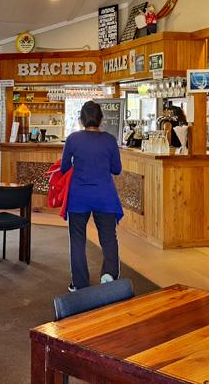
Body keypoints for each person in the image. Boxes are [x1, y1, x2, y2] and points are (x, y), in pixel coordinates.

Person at [61, 101, 123, 291]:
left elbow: (64, 168)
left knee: (77, 240)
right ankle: (109, 275)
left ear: (81, 120)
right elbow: (117, 169)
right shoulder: (110, 140)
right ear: (101, 119)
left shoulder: (72, 139)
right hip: (105, 196)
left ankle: (80, 284)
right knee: (108, 238)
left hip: (78, 197)